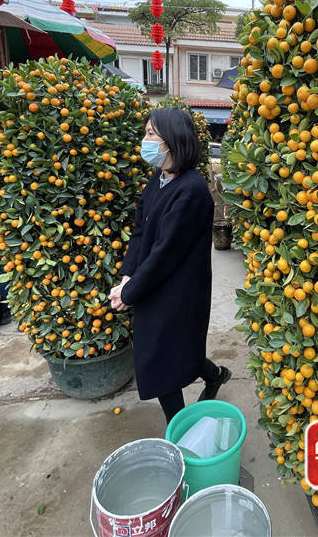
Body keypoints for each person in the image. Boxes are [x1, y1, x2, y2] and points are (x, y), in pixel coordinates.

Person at [108, 108, 231, 423]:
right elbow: (140, 231)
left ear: (172, 141)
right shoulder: (158, 179)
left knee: (160, 359)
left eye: (151, 134)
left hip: (179, 291)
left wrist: (130, 291)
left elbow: (167, 252)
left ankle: (180, 433)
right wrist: (127, 276)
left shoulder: (191, 191)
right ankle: (215, 374)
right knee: (175, 350)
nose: (144, 140)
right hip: (154, 283)